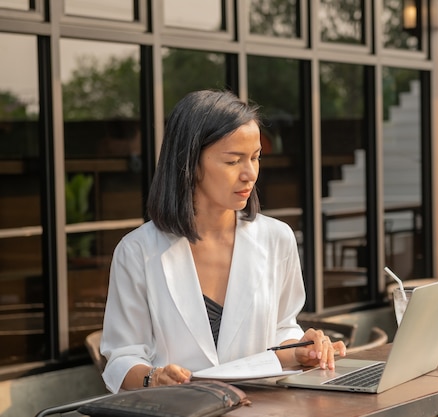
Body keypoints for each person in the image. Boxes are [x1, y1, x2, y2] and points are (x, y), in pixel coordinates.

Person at [100, 89, 346, 393]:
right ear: (190, 162)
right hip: (179, 411)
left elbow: (282, 327)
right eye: (233, 161)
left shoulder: (277, 239)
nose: (250, 174)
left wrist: (302, 349)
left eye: (255, 158)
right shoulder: (137, 251)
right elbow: (122, 358)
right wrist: (154, 377)